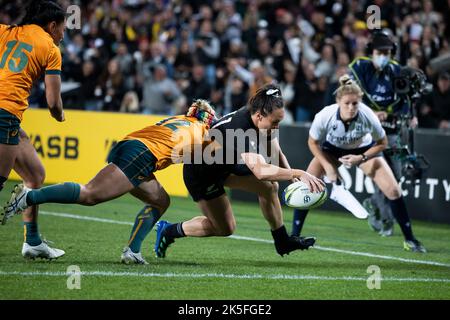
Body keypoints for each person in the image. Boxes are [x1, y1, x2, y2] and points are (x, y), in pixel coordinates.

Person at [1, 100, 216, 264]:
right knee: (90, 194)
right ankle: (29, 196)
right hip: (142, 156)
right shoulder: (201, 131)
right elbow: (206, 162)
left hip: (132, 147)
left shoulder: (180, 120)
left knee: (160, 201)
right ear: (208, 120)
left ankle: (132, 252)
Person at [152, 84, 325, 259]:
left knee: (269, 187)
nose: (277, 127)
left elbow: (276, 153)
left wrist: (293, 179)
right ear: (259, 116)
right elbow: (261, 171)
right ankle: (168, 230)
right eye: (275, 122)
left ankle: (282, 240)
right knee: (224, 228)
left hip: (225, 166)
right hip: (201, 173)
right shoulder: (241, 127)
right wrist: (298, 173)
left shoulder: (261, 119)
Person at [291, 75, 426, 253]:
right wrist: (330, 168)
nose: (351, 107)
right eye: (347, 103)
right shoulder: (325, 115)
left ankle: (410, 240)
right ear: (338, 101)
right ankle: (293, 237)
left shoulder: (368, 115)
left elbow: (382, 143)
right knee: (308, 184)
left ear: (360, 102)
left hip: (363, 150)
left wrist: (361, 158)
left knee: (393, 190)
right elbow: (312, 142)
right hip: (332, 150)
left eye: (355, 103)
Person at [0, 1, 66, 259]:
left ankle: (33, 241)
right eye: (62, 29)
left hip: (8, 116)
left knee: (35, 174)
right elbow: (53, 102)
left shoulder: (6, 31)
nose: (63, 34)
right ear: (52, 26)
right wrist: (60, 115)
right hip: (4, 113)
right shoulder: (50, 48)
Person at [348, 30, 411, 236]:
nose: (383, 55)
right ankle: (386, 221)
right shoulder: (359, 68)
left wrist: (410, 114)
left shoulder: (397, 70)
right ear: (371, 52)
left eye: (387, 52)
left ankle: (373, 203)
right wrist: (373, 113)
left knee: (397, 175)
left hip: (391, 131)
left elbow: (406, 98)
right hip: (367, 132)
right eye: (379, 51)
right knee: (379, 173)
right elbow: (347, 96)